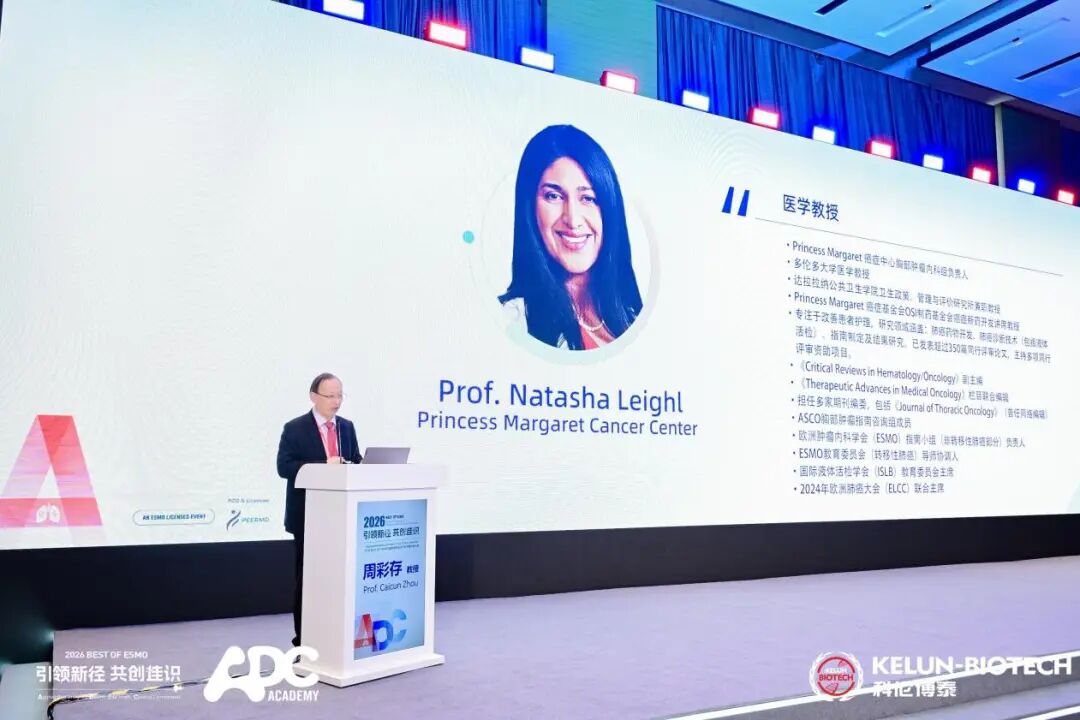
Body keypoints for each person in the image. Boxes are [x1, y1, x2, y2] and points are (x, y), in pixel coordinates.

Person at [499, 124, 643, 350]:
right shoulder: (509, 320)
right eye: (554, 196)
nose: (573, 220)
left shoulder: (633, 316)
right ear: (530, 207)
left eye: (588, 198)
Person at [276, 372, 362, 647]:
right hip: (307, 516)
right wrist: (324, 466)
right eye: (330, 396)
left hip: (342, 517)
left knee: (338, 579)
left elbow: (355, 460)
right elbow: (284, 467)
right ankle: (304, 640)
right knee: (308, 580)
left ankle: (335, 637)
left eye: (340, 395)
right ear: (314, 397)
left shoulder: (346, 427)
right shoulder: (295, 428)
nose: (337, 402)